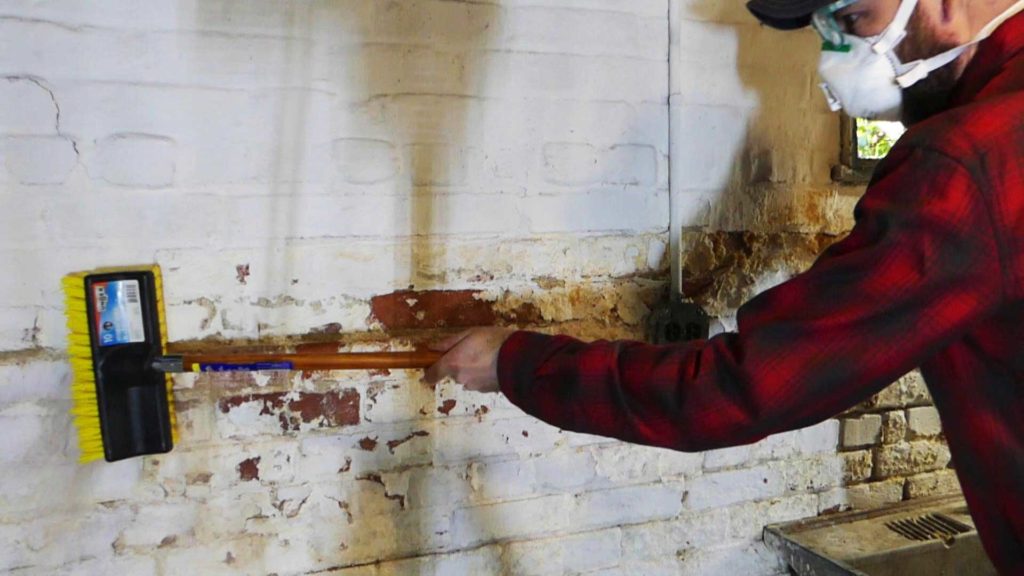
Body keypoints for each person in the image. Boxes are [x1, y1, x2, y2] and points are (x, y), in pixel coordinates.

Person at [424, 0, 1024, 572]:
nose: (842, 55)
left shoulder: (964, 168)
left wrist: (516, 363)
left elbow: (742, 388)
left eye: (853, 18)